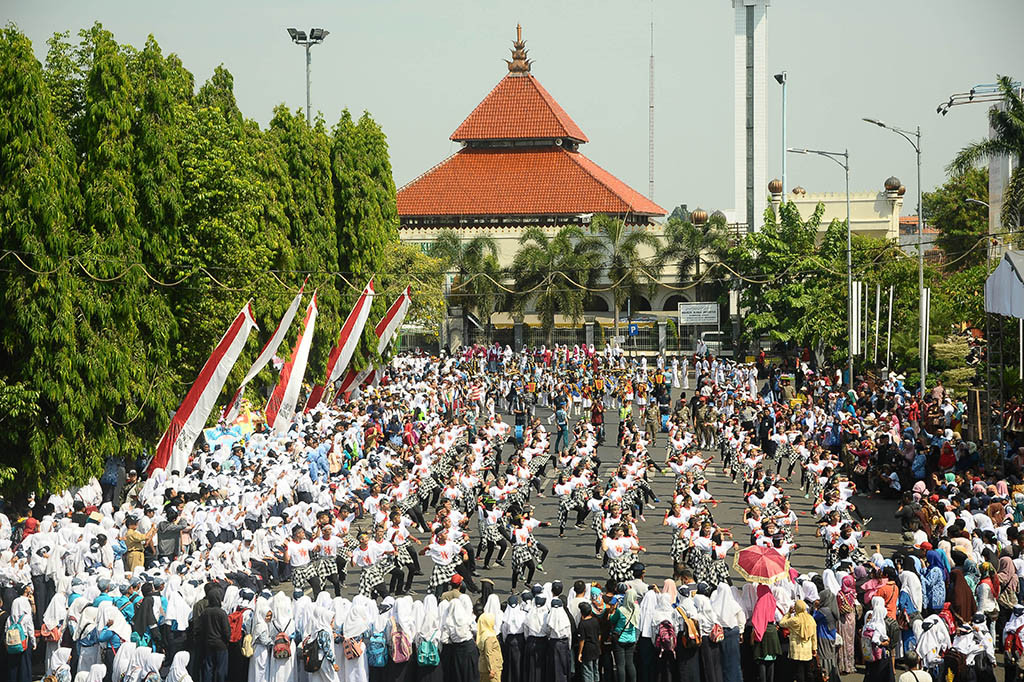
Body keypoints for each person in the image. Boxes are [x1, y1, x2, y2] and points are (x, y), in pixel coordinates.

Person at [194, 584, 230, 682]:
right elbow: (226, 631)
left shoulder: (205, 612)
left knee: (208, 667)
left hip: (208, 643)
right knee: (221, 669)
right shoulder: (221, 613)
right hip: (220, 644)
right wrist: (227, 641)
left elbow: (200, 627)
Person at [778, 599, 817, 682]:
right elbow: (814, 636)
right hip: (807, 650)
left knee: (799, 672)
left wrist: (788, 613)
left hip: (796, 650)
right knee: (808, 672)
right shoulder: (811, 619)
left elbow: (781, 623)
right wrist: (814, 648)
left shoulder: (794, 620)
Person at [608, 588, 639, 682]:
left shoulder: (621, 610)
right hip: (631, 638)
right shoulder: (637, 609)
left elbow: (613, 619)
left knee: (620, 665)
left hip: (620, 638)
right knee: (630, 663)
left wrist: (611, 613)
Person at [575, 601, 601, 682]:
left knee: (587, 671)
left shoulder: (582, 624)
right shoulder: (595, 621)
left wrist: (580, 653)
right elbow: (599, 635)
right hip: (596, 648)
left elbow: (582, 640)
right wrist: (598, 645)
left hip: (587, 650)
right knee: (596, 669)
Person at [477, 612, 501, 682]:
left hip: (483, 667)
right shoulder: (489, 637)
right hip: (492, 669)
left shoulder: (483, 635)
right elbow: (489, 653)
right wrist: (492, 669)